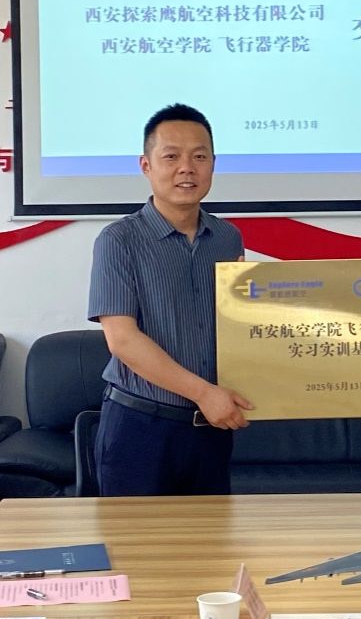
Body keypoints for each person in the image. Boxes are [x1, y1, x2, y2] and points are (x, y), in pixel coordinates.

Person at [88, 103, 252, 496]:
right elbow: (122, 340)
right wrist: (204, 393)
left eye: (200, 157)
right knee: (135, 537)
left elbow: (236, 327)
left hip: (211, 428)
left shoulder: (227, 238)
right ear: (146, 166)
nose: (187, 168)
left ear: (213, 164)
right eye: (171, 157)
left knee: (212, 535)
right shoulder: (118, 241)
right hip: (140, 427)